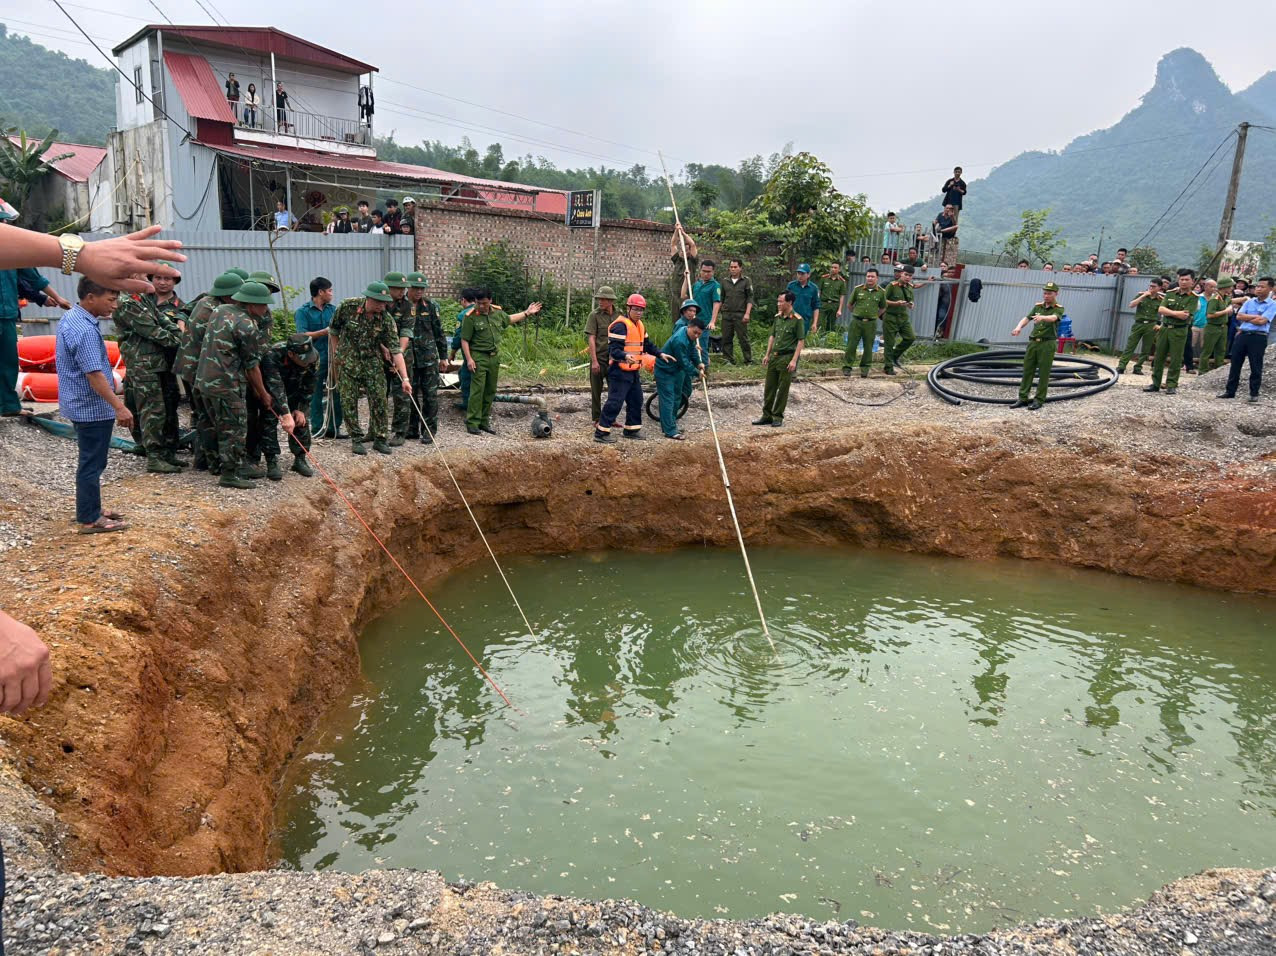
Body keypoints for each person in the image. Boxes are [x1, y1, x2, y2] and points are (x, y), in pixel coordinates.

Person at [54, 278, 133, 529]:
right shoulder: (85, 330)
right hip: (91, 408)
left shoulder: (73, 317)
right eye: (110, 300)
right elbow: (94, 375)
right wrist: (118, 406)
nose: (115, 305)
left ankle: (91, 507)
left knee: (91, 460)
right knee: (92, 462)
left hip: (77, 402)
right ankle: (90, 519)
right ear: (90, 297)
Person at [196, 282, 291, 488]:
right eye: (263, 305)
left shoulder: (221, 310)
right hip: (226, 383)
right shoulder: (247, 325)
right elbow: (252, 366)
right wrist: (263, 393)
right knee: (235, 427)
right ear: (251, 304)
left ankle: (222, 464)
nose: (266, 309)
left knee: (217, 424)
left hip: (204, 379)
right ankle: (230, 474)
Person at [173, 271, 245, 473]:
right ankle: (215, 463)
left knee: (202, 414)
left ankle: (202, 460)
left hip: (191, 367)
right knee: (213, 417)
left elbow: (183, 312)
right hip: (201, 369)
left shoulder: (205, 300)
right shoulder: (217, 310)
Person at [332, 281, 411, 455]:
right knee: (348, 401)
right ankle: (356, 439)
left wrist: (405, 378)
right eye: (379, 302)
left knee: (379, 400)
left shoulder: (386, 319)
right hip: (349, 362)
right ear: (368, 298)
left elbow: (396, 350)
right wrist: (337, 354)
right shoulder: (347, 307)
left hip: (372, 363)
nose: (382, 306)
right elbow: (334, 330)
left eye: (385, 302)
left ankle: (380, 438)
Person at [113, 281, 183, 473]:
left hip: (158, 362)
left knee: (167, 407)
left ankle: (166, 453)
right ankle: (154, 456)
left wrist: (178, 334)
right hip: (143, 364)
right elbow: (151, 330)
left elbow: (162, 320)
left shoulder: (143, 299)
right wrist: (180, 341)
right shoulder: (126, 303)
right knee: (152, 410)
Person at [460, 289, 540, 435]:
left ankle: (484, 421)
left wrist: (527, 312)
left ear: (490, 301)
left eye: (484, 303)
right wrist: (469, 359)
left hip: (494, 357)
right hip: (478, 357)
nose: (481, 306)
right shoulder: (470, 316)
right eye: (478, 303)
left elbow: (509, 319)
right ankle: (472, 422)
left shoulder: (497, 313)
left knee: (490, 390)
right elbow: (464, 340)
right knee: (477, 391)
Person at [594, 292, 660, 442]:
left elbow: (648, 345)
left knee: (636, 400)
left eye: (641, 310)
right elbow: (614, 350)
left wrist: (661, 354)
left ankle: (631, 429)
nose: (638, 313)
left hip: (633, 371)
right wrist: (625, 356)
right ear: (628, 308)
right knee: (615, 402)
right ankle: (601, 432)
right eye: (635, 309)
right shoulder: (620, 326)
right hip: (619, 371)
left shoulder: (640, 325)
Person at [260, 333, 319, 477]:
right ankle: (271, 460)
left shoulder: (313, 357)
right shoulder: (272, 355)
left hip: (295, 391)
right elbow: (275, 386)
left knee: (301, 421)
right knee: (268, 420)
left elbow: (310, 385)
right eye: (303, 359)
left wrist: (301, 409)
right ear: (291, 354)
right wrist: (285, 414)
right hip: (272, 393)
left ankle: (300, 459)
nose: (308, 362)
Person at [295, 276, 341, 438]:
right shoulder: (303, 312)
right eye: (329, 290)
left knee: (336, 391)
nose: (332, 293)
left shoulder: (333, 310)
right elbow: (302, 335)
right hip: (314, 359)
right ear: (320, 292)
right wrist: (324, 332)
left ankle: (334, 427)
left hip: (333, 357)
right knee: (314, 392)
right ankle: (317, 427)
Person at [1008, 281, 1064, 410]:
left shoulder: (1058, 308)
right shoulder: (1038, 307)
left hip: (1047, 344)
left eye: (1049, 293)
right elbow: (1027, 318)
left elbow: (1054, 318)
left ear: (1056, 294)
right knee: (1028, 370)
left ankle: (1039, 399)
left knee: (1044, 372)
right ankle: (1023, 398)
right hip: (1033, 342)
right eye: (1045, 293)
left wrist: (1042, 318)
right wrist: (1018, 327)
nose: (1046, 296)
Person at [1218, 275, 1274, 403]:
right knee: (1235, 363)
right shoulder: (1249, 302)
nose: (1258, 289)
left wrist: (1249, 317)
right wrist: (1256, 316)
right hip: (1243, 335)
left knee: (1256, 365)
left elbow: (1262, 321)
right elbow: (1239, 316)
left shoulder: (1272, 305)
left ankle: (1254, 393)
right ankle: (1230, 391)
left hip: (1258, 337)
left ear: (1270, 288)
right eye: (1258, 286)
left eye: (1262, 287)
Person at [753, 291, 806, 427]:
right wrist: (767, 354)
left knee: (782, 388)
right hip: (775, 357)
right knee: (769, 387)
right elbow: (772, 336)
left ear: (789, 303)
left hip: (787, 357)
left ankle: (777, 416)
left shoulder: (797, 320)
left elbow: (800, 341)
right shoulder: (777, 318)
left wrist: (794, 360)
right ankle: (767, 415)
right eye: (778, 301)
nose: (778, 304)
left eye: (781, 301)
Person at [404, 272, 445, 443]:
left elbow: (439, 332)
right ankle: (412, 428)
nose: (419, 291)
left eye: (422, 288)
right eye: (416, 288)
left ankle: (429, 430)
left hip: (428, 358)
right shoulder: (399, 306)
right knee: (410, 395)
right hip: (408, 359)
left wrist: (443, 357)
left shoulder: (430, 306)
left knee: (430, 396)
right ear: (409, 288)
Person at [654, 308, 705, 440]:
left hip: (676, 370)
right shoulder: (679, 340)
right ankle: (669, 430)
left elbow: (693, 350)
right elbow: (684, 362)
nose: (696, 336)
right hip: (665, 370)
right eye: (695, 332)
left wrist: (699, 363)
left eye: (699, 334)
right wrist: (697, 373)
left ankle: (671, 424)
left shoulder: (690, 336)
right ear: (689, 327)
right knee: (668, 399)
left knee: (677, 397)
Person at [1145, 268, 1197, 395]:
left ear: (1192, 281)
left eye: (1187, 280)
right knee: (1159, 357)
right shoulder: (1170, 293)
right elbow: (1161, 309)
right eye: (1181, 279)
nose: (1183, 282)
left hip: (1179, 330)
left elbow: (1185, 316)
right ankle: (1155, 383)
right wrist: (1176, 313)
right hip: (1165, 328)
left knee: (1176, 359)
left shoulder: (1194, 298)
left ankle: (1171, 384)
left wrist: (1171, 313)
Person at [381, 272, 415, 445]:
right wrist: (384, 349)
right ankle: (377, 431)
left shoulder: (407, 306)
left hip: (401, 355)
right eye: (399, 288)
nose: (403, 291)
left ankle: (400, 431)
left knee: (401, 394)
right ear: (388, 288)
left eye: (404, 288)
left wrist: (398, 353)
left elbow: (406, 332)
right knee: (379, 394)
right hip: (380, 355)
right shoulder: (379, 302)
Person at [842, 267, 886, 377]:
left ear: (877, 278)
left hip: (870, 323)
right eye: (868, 276)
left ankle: (865, 368)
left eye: (872, 277)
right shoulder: (858, 289)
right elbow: (849, 304)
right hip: (856, 322)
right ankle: (847, 367)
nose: (870, 278)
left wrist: (875, 316)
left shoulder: (881, 292)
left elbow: (883, 307)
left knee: (868, 346)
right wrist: (857, 313)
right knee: (851, 345)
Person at [585, 286, 619, 420]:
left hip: (614, 359)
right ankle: (597, 418)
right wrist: (594, 361)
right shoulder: (594, 315)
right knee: (596, 391)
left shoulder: (619, 315)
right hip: (599, 358)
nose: (600, 301)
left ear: (611, 301)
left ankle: (611, 418)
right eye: (599, 298)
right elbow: (591, 338)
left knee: (614, 391)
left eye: (603, 299)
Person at [1117, 278, 1163, 375]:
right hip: (1139, 323)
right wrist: (1143, 296)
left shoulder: (1160, 300)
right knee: (1130, 346)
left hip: (1151, 325)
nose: (1151, 288)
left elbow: (1164, 313)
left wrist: (1160, 325)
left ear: (1159, 288)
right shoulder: (1141, 295)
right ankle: (1121, 366)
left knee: (1146, 348)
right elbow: (1131, 305)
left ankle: (1138, 367)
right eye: (1150, 286)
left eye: (1154, 286)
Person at [882, 265, 918, 374]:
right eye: (906, 275)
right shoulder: (892, 286)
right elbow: (883, 301)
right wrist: (896, 303)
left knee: (910, 337)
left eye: (910, 276)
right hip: (890, 317)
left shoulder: (909, 287)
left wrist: (911, 305)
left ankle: (894, 356)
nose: (907, 277)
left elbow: (911, 301)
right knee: (889, 343)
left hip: (903, 318)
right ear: (901, 273)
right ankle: (888, 367)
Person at [684, 259, 721, 361]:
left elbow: (716, 303)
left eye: (708, 272)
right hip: (692, 320)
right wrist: (685, 279)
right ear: (700, 270)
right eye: (703, 271)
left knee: (702, 347)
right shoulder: (697, 284)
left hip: (704, 322)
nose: (705, 274)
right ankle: (695, 368)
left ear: (713, 272)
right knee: (691, 346)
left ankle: (705, 370)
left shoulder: (715, 286)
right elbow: (684, 295)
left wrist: (712, 321)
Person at [719, 259, 754, 365]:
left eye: (735, 267)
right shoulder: (725, 281)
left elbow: (750, 298)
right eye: (731, 267)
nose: (733, 269)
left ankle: (748, 360)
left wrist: (747, 313)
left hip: (740, 314)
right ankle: (728, 359)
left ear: (740, 268)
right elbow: (721, 298)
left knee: (743, 338)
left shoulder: (746, 281)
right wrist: (717, 314)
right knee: (726, 338)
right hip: (727, 314)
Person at [448, 289, 478, 409]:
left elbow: (458, 337)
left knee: (465, 376)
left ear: (463, 300)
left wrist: (452, 353)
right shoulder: (481, 312)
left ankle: (467, 404)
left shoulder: (463, 315)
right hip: (484, 352)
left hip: (470, 352)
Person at [1199, 277, 1233, 374]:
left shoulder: (1225, 298)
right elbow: (1210, 314)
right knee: (1207, 350)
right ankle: (1203, 371)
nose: (1231, 288)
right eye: (1230, 286)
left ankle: (1218, 371)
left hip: (1223, 327)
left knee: (1221, 350)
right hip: (1213, 327)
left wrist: (1244, 298)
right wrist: (1225, 311)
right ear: (1224, 287)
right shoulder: (1214, 299)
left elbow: (1232, 301)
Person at [667, 224, 699, 323]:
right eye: (682, 249)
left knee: (687, 321)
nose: (683, 251)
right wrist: (677, 230)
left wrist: (683, 232)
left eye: (686, 250)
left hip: (686, 296)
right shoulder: (677, 260)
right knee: (676, 321)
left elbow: (693, 245)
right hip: (675, 295)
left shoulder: (692, 261)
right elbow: (673, 244)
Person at [786, 263, 821, 336]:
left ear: (808, 275)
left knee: (801, 340)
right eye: (798, 273)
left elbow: (816, 306)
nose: (800, 276)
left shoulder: (813, 288)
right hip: (791, 318)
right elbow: (785, 302)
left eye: (802, 274)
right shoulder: (791, 286)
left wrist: (814, 323)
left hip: (804, 320)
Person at [819, 261, 847, 343]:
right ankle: (819, 339)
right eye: (832, 267)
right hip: (823, 303)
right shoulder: (824, 278)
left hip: (834, 304)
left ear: (839, 269)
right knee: (821, 322)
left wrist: (839, 309)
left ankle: (829, 341)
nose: (833, 269)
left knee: (831, 324)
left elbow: (842, 296)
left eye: (835, 268)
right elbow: (819, 292)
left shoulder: (842, 281)